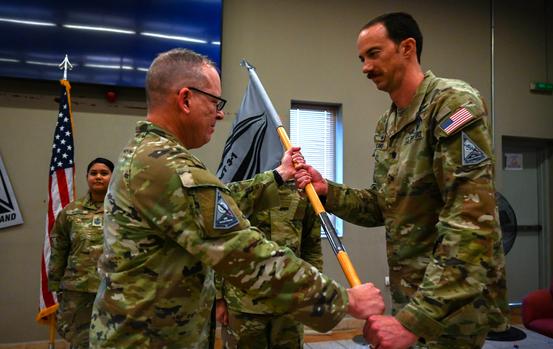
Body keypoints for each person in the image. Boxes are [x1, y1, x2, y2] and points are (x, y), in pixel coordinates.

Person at [89, 48, 384, 349]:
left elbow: (224, 201)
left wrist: (278, 176)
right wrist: (342, 299)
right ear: (186, 99)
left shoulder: (148, 154)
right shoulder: (169, 167)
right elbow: (244, 253)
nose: (219, 113)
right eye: (215, 102)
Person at [295, 12, 507, 349]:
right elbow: (382, 206)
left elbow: (472, 220)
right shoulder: (387, 124)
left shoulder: (451, 104)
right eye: (361, 59)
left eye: (374, 54)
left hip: (450, 307)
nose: (365, 67)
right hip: (411, 295)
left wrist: (415, 319)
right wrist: (327, 191)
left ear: (407, 48)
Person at [216, 181, 322, 348]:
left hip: (289, 302)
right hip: (244, 305)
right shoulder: (239, 190)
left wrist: (313, 290)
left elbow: (312, 247)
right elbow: (220, 245)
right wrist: (218, 298)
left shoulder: (304, 194)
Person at [48, 157, 114, 349]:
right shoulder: (70, 212)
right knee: (80, 340)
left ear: (113, 177)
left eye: (104, 173)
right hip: (78, 289)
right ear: (87, 177)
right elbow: (59, 248)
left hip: (113, 287)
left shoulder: (123, 211)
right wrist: (54, 282)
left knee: (112, 339)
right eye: (94, 173)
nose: (98, 177)